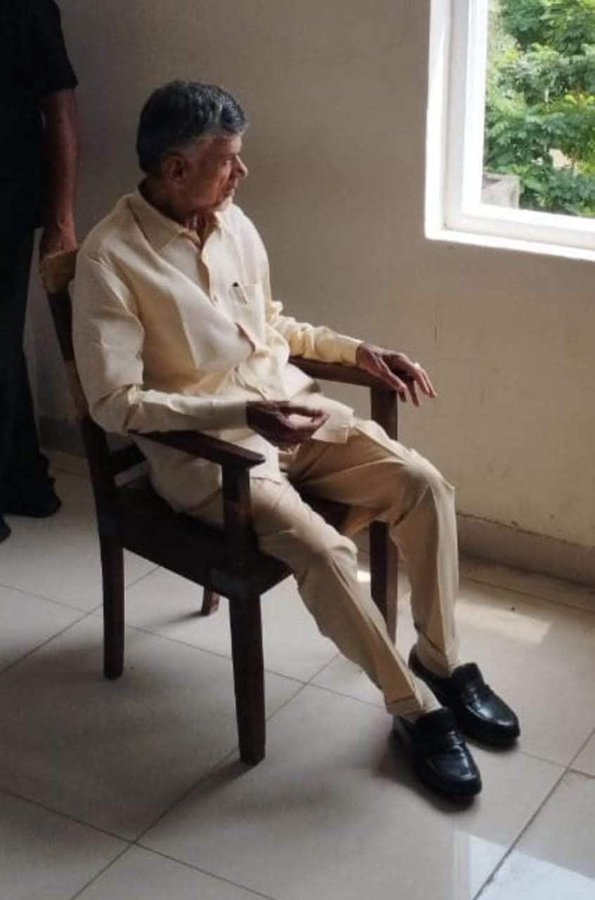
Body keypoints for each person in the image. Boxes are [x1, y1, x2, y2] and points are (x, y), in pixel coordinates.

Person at [72, 81, 519, 798]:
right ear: (175, 169)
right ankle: (414, 709)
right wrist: (242, 413)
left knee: (423, 485)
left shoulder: (233, 223)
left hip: (295, 418)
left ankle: (439, 660)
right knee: (325, 551)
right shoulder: (110, 259)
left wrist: (356, 352)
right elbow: (113, 405)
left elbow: (271, 326)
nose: (242, 173)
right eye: (228, 161)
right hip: (211, 458)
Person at [0, 0, 79, 543]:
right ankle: (24, 480)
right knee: (4, 348)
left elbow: (61, 110)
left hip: (7, 202)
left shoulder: (26, 7)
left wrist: (62, 218)